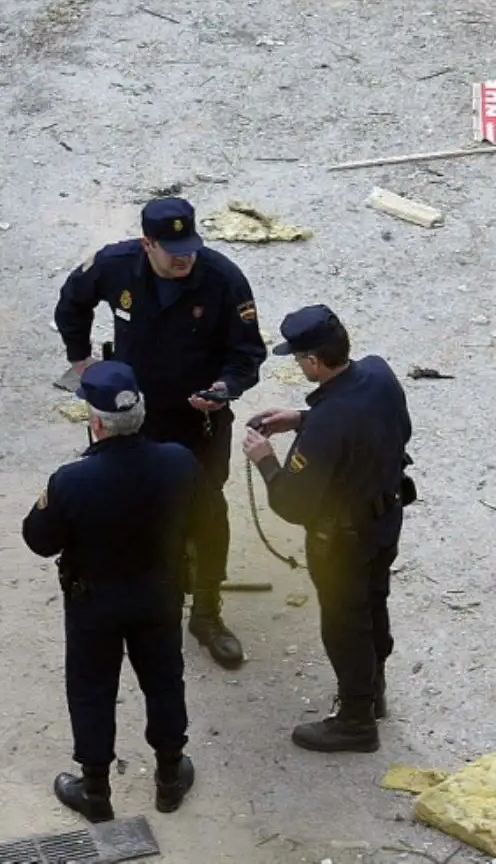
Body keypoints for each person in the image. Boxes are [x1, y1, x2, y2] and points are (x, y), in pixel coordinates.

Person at [53, 196, 266, 669]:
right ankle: (136, 596)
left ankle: (207, 612)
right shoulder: (115, 266)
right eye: (172, 249)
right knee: (122, 503)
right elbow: (72, 302)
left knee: (208, 511)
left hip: (199, 419)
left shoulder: (222, 280)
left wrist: (225, 388)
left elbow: (247, 354)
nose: (184, 257)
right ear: (147, 243)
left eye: (189, 246)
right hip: (131, 417)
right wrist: (79, 358)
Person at [22, 361, 198, 823]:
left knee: (92, 688)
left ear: (95, 423)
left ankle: (95, 789)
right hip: (159, 594)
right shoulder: (178, 461)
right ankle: (169, 777)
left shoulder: (72, 480)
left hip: (93, 602)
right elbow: (206, 523)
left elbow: (39, 540)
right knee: (163, 681)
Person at [242, 306, 413, 753]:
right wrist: (302, 418)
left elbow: (292, 504)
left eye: (300, 360)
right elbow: (383, 425)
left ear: (315, 362)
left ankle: (355, 721)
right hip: (386, 519)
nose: (300, 367)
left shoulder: (327, 425)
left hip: (341, 542)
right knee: (375, 604)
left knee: (343, 624)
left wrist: (264, 459)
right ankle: (372, 692)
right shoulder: (379, 373)